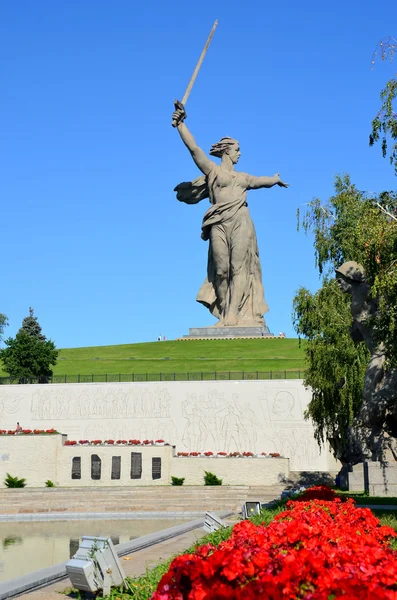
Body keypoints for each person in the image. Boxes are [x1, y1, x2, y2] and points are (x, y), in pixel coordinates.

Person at [172, 102, 289, 327]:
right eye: (237, 150)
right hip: (218, 222)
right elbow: (195, 150)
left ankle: (233, 314)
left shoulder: (242, 178)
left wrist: (274, 179)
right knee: (221, 269)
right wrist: (181, 125)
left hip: (240, 221)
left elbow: (260, 181)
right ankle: (225, 311)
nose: (240, 153)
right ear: (227, 151)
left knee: (239, 267)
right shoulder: (213, 171)